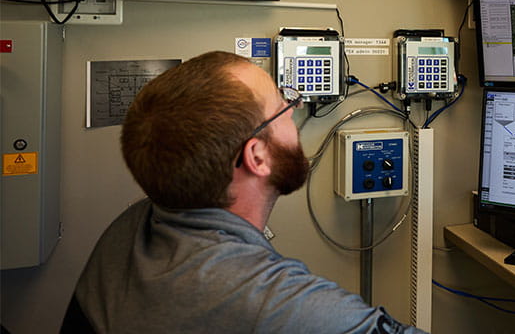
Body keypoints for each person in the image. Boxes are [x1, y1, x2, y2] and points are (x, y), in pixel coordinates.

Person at [67, 51, 426, 333]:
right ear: (257, 156)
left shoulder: (127, 230)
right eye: (283, 105)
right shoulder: (275, 303)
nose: (296, 107)